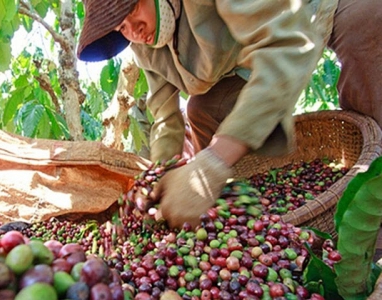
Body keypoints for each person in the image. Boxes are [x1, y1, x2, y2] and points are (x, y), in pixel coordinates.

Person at [77, 0, 382, 229]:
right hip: (248, 58)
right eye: (121, 27)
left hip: (305, 11)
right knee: (202, 110)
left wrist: (213, 161)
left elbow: (286, 44)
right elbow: (166, 118)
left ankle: (374, 191)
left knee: (366, 23)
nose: (133, 30)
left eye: (131, 11)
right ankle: (230, 209)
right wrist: (161, 181)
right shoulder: (144, 47)